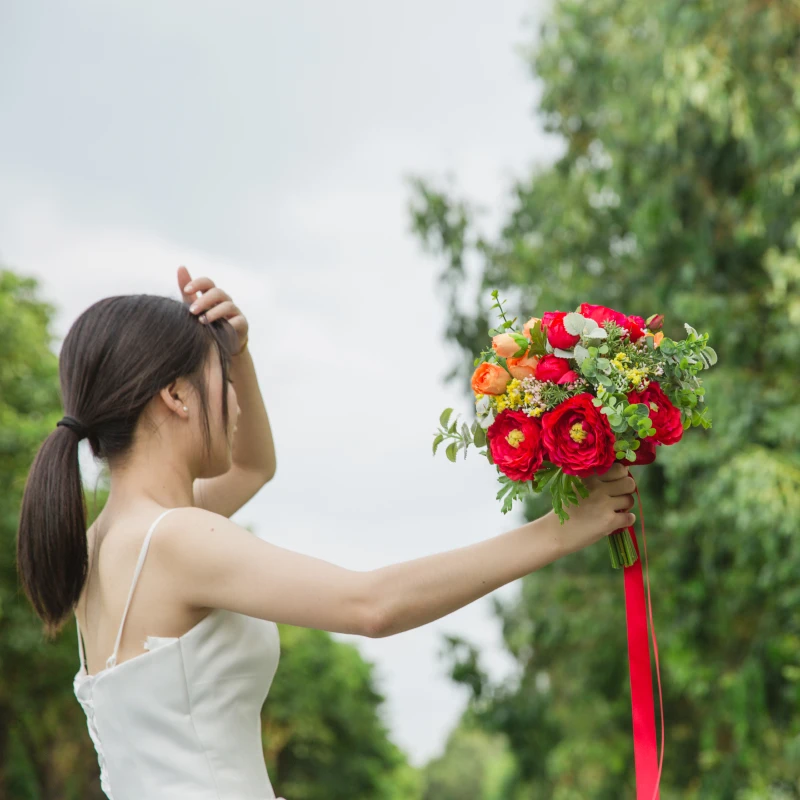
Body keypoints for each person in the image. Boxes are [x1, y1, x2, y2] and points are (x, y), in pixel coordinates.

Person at [15, 269, 637, 800]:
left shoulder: (106, 540)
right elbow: (372, 605)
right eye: (219, 379)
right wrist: (559, 531)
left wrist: (239, 353)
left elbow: (254, 466)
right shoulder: (177, 539)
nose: (233, 398)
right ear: (175, 395)